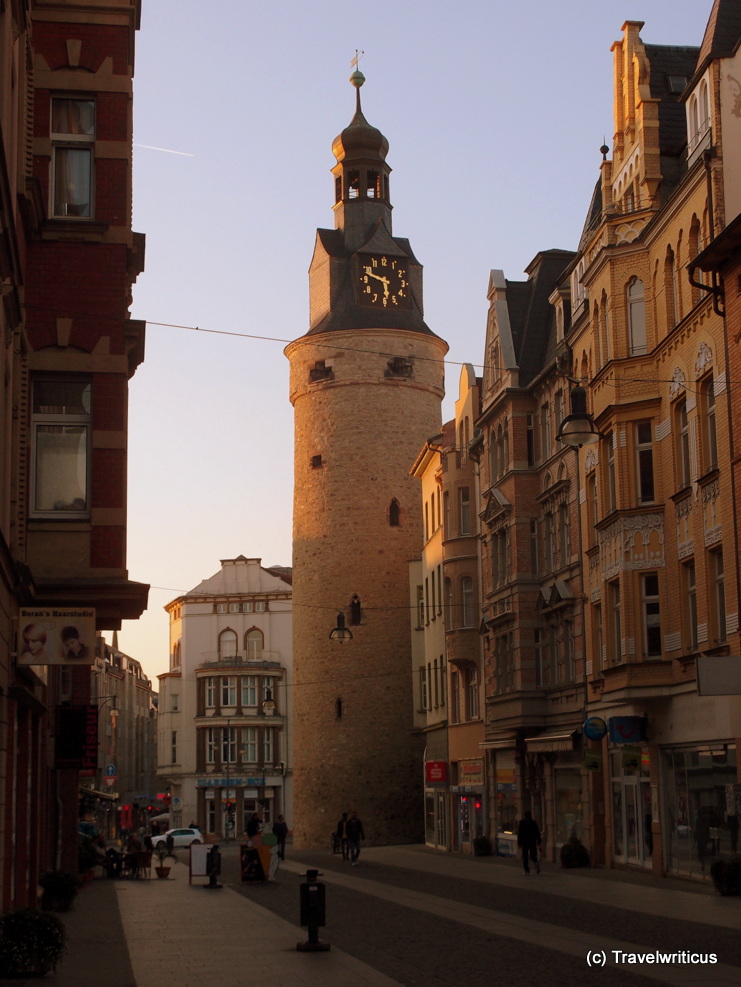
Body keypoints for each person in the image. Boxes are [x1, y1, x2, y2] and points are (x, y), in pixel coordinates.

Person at [517, 810, 542, 875]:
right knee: (533, 855)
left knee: (525, 856)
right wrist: (539, 841)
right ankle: (535, 862)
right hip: (532, 841)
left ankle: (526, 870)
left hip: (525, 841)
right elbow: (537, 832)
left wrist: (519, 842)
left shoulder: (522, 823)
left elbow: (520, 833)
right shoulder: (533, 822)